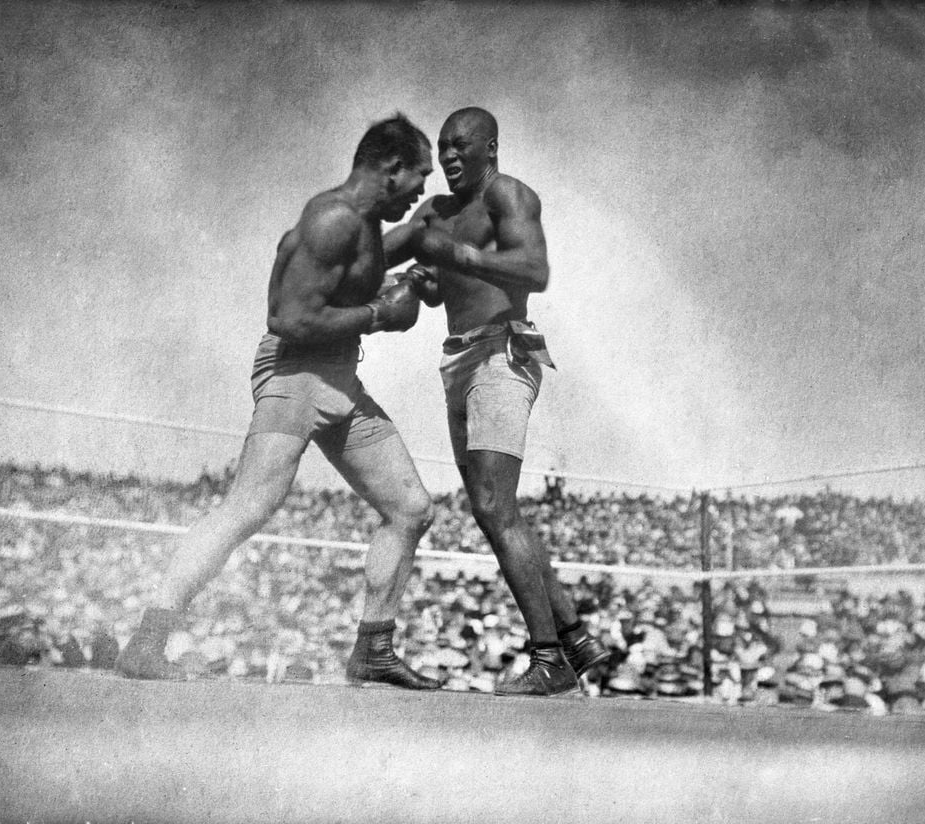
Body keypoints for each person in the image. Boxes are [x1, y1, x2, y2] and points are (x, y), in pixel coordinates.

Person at [117, 114, 442, 690]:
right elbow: (288, 318)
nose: (423, 190)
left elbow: (367, 273)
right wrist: (377, 314)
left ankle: (372, 649)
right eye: (420, 177)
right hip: (295, 372)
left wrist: (412, 280)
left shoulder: (363, 225)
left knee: (411, 508)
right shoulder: (333, 219)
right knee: (250, 506)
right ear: (391, 169)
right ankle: (146, 642)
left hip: (339, 378)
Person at [384, 106, 609, 696]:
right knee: (495, 506)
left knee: (491, 503)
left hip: (502, 354)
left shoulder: (509, 194)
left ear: (491, 147)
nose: (451, 156)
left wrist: (462, 258)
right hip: (457, 359)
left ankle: (549, 657)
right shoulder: (435, 212)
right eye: (443, 148)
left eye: (462, 145)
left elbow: (535, 270)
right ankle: (576, 637)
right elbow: (443, 292)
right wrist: (424, 285)